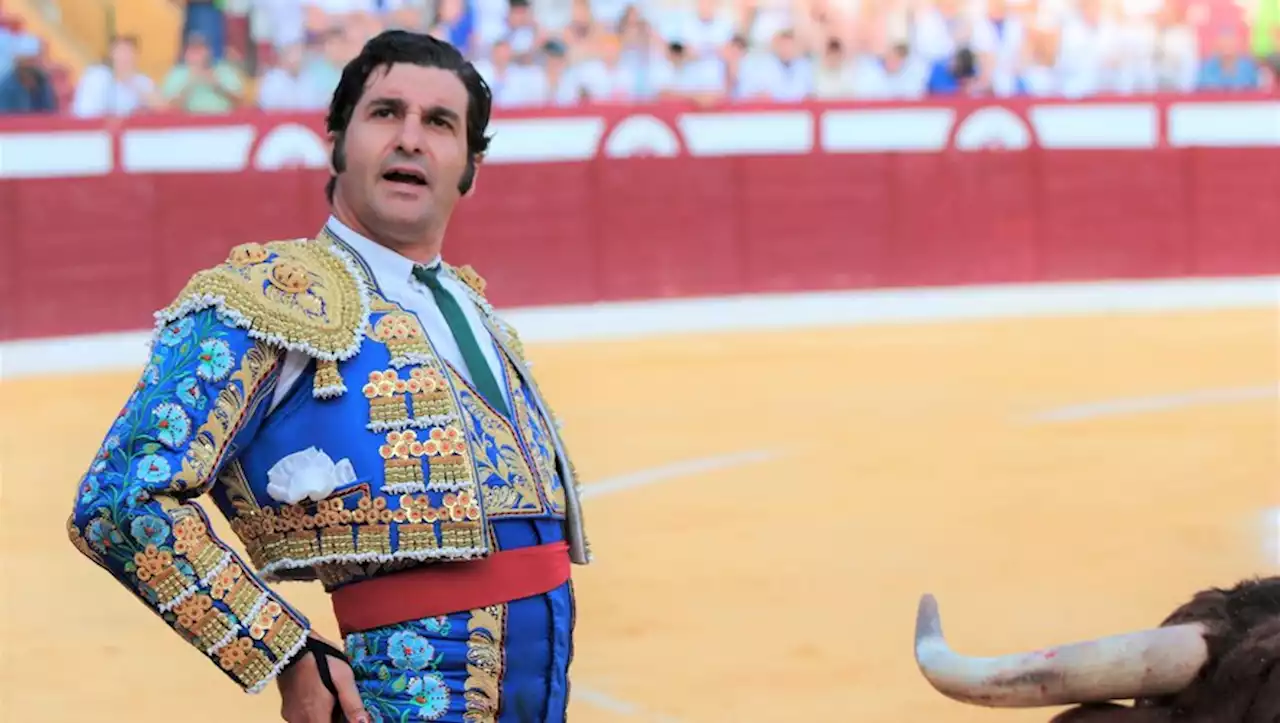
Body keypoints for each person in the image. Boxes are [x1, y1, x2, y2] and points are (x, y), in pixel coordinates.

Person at [66, 29, 591, 723]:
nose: (410, 138)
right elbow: (117, 499)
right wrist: (281, 646)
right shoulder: (270, 296)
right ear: (338, 141)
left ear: (469, 165)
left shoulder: (472, 304)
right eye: (385, 113)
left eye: (439, 123)